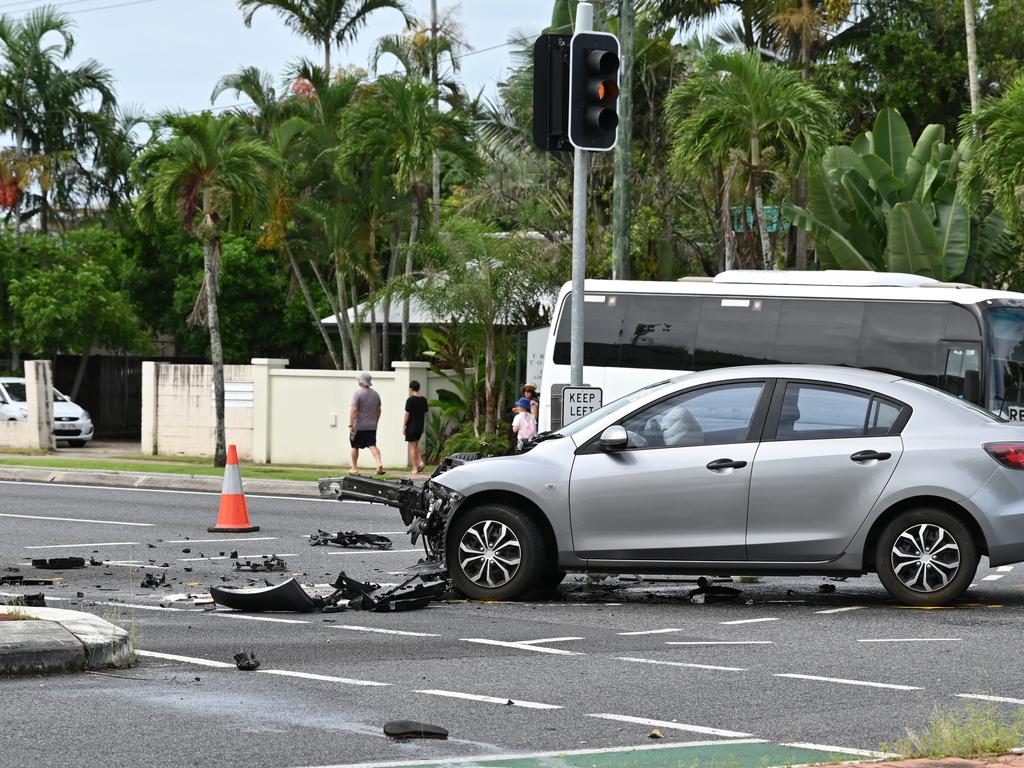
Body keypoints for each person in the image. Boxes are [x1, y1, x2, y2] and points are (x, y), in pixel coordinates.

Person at [349, 373, 383, 475]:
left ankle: (354, 468)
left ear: (361, 382)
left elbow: (354, 410)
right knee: (372, 445)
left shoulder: (357, 394)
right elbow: (378, 410)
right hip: (371, 426)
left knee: (355, 446)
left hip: (358, 426)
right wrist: (375, 421)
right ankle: (379, 463)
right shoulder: (375, 394)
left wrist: (351, 424)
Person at [403, 380, 428, 474]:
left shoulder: (410, 400)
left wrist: (404, 426)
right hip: (420, 426)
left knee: (412, 447)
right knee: (416, 445)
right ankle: (421, 462)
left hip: (411, 426)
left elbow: (407, 414)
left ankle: (414, 468)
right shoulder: (423, 400)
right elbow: (425, 413)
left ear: (411, 388)